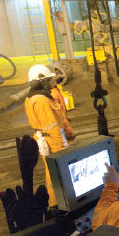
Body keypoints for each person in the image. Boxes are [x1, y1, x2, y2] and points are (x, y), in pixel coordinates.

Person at [25, 64, 75, 207]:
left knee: (54, 172)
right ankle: (56, 203)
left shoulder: (39, 97)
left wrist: (68, 132)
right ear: (40, 81)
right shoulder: (41, 101)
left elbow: (59, 119)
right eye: (48, 80)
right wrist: (64, 148)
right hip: (53, 141)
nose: (51, 83)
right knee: (56, 172)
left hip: (51, 138)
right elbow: (52, 127)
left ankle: (58, 202)